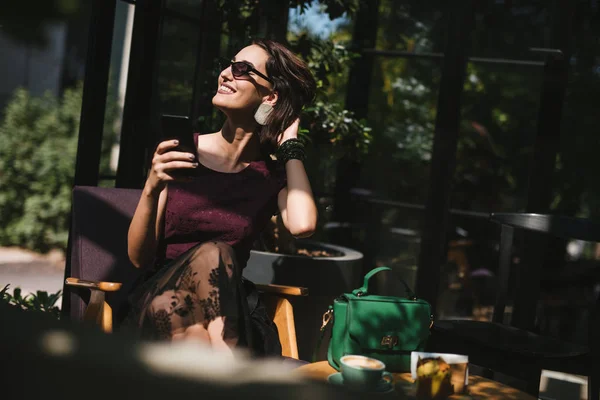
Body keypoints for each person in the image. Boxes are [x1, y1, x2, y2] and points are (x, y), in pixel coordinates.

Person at [124, 39, 318, 357]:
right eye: (229, 64)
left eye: (242, 69)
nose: (227, 73)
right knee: (212, 255)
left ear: (270, 96)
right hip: (158, 294)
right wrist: (152, 187)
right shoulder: (182, 152)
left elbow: (303, 224)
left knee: (196, 331)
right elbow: (137, 258)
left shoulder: (271, 176)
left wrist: (290, 145)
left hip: (228, 307)